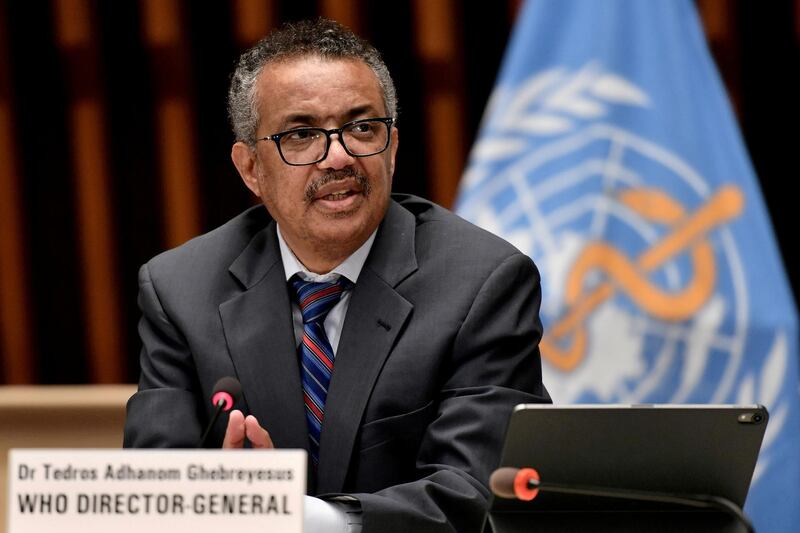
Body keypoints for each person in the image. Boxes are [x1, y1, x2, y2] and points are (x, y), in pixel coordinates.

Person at [124, 18, 550, 532]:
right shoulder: (180, 290)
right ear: (250, 168)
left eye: (362, 127)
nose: (340, 156)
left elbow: (478, 493)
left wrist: (295, 516)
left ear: (392, 147)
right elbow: (153, 493)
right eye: (301, 135)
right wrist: (218, 499)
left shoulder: (483, 282)